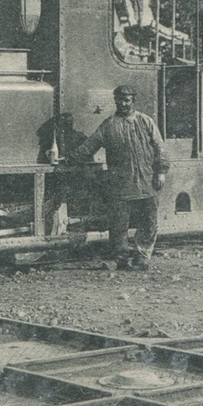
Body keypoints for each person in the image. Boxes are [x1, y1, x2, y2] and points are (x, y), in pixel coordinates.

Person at [73, 85, 168, 270]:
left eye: (126, 100)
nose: (123, 104)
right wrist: (69, 158)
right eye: (119, 100)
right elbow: (89, 146)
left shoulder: (145, 122)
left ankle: (142, 257)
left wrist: (161, 172)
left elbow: (160, 148)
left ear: (133, 100)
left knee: (148, 222)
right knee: (118, 224)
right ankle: (121, 258)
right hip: (120, 184)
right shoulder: (109, 125)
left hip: (147, 182)